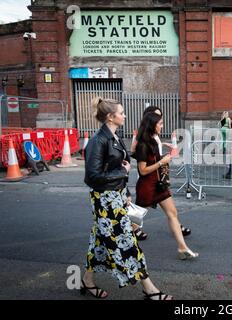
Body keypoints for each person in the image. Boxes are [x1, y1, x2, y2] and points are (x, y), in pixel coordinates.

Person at [83, 97, 172, 300]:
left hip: (117, 195)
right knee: (127, 241)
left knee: (99, 241)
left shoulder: (114, 136)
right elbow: (92, 176)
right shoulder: (99, 140)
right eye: (121, 113)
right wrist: (122, 173)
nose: (124, 115)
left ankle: (87, 281)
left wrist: (126, 192)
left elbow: (119, 163)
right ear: (110, 117)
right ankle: (149, 289)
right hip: (105, 200)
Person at [135, 112, 199, 260]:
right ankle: (116, 244)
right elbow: (142, 170)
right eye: (160, 123)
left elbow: (155, 162)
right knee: (134, 222)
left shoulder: (153, 140)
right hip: (147, 186)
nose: (162, 126)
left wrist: (165, 157)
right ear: (152, 125)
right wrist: (161, 162)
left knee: (173, 213)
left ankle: (182, 248)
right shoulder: (143, 145)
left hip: (159, 185)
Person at [130, 106, 191, 240]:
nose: (162, 124)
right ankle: (132, 228)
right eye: (159, 120)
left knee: (171, 211)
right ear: (150, 120)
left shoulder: (155, 136)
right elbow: (137, 154)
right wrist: (161, 162)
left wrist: (163, 145)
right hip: (148, 179)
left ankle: (179, 236)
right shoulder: (143, 141)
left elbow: (154, 151)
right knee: (140, 208)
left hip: (159, 177)